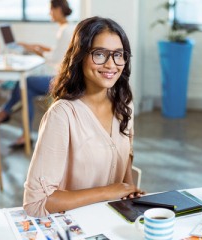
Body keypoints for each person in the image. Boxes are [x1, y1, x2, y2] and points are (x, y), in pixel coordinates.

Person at [23, 16, 145, 217]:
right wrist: (107, 192)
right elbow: (36, 204)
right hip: (75, 227)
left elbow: (126, 161)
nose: (111, 64)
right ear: (80, 56)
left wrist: (130, 194)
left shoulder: (124, 104)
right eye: (99, 54)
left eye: (118, 55)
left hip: (113, 221)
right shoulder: (62, 115)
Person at [0, 0, 74, 149]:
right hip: (59, 74)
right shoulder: (66, 28)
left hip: (60, 79)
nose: (49, 13)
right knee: (27, 89)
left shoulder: (65, 31)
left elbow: (54, 57)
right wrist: (33, 45)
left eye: (50, 9)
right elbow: (56, 50)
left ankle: (5, 112)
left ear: (58, 10)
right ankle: (24, 135)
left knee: (25, 82)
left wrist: (34, 50)